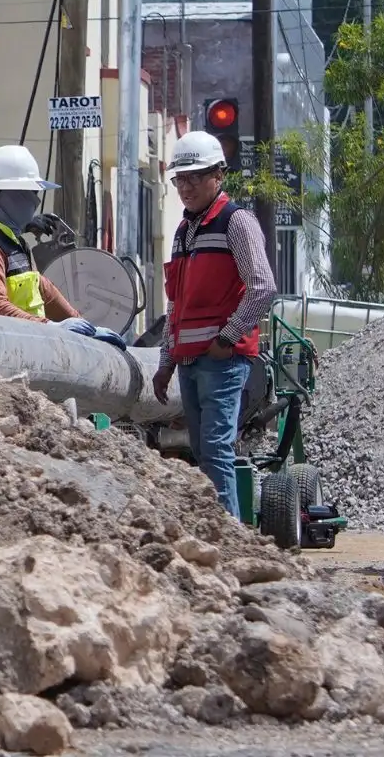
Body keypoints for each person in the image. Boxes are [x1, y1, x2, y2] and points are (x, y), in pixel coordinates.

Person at [152, 131, 277, 519]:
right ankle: (222, 531)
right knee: (204, 451)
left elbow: (263, 288)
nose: (185, 187)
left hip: (222, 360)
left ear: (218, 176)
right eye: (180, 179)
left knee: (217, 449)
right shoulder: (184, 232)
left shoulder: (235, 222)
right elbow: (178, 305)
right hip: (191, 361)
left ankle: (230, 540)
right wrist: (166, 361)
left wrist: (227, 338)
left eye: (194, 177)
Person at [0, 145, 90, 333]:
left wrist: (83, 325)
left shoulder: (12, 241)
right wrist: (50, 327)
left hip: (18, 346)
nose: (35, 201)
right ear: (7, 195)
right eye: (30, 192)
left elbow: (40, 286)